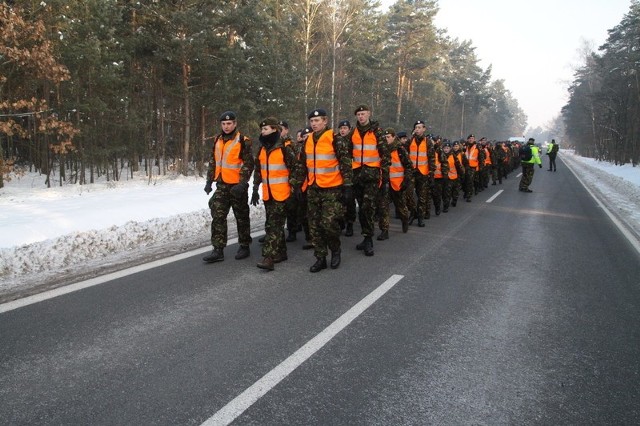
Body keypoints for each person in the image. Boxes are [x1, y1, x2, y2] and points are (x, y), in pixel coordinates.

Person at [299, 108, 353, 272]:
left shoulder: (335, 140)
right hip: (313, 189)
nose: (314, 124)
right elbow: (302, 166)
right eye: (312, 121)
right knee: (314, 226)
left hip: (332, 189)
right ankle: (320, 257)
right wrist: (297, 185)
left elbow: (345, 164)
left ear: (325, 121)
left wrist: (348, 186)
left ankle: (335, 250)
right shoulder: (307, 141)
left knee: (329, 223)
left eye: (317, 121)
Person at [203, 111, 254, 263]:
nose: (226, 126)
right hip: (222, 185)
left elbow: (249, 163)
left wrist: (243, 183)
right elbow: (214, 161)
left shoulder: (243, 140)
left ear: (235, 124)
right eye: (224, 124)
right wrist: (209, 181)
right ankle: (218, 249)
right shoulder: (217, 140)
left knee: (241, 216)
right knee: (218, 216)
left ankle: (244, 245)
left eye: (229, 123)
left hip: (238, 186)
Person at [250, 118, 301, 271]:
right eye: (262, 129)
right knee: (274, 225)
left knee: (274, 226)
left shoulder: (285, 147)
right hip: (268, 193)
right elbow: (259, 170)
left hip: (282, 193)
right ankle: (282, 253)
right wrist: (255, 188)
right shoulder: (262, 148)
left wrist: (294, 189)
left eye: (265, 129)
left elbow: (295, 169)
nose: (262, 132)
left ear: (274, 129)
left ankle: (269, 257)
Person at [347, 105, 389, 256]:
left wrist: (384, 177)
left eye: (363, 114)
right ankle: (365, 238)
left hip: (372, 176)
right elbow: (347, 151)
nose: (361, 117)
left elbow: (385, 155)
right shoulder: (353, 132)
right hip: (358, 175)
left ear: (369, 114)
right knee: (362, 208)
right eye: (358, 114)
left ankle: (369, 239)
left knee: (368, 207)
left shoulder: (377, 132)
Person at [407, 120, 435, 225]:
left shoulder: (428, 142)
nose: (417, 129)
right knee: (408, 194)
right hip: (412, 172)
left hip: (423, 173)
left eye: (419, 127)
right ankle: (413, 212)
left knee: (422, 197)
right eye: (416, 127)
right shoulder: (410, 141)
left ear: (424, 129)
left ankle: (420, 217)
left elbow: (432, 158)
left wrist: (431, 174)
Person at [337, 119, 356, 237]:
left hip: (351, 175)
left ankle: (350, 223)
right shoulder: (336, 140)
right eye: (341, 128)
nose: (343, 130)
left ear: (349, 129)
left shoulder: (353, 141)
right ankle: (341, 221)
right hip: (337, 175)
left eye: (345, 128)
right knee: (339, 201)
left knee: (349, 201)